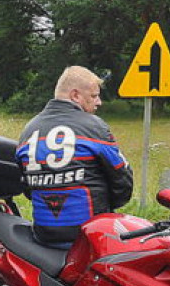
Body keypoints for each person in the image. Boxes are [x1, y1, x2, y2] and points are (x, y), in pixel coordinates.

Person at [16, 66, 133, 247]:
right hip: (89, 238)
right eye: (94, 96)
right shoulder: (94, 127)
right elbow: (123, 182)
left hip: (44, 238)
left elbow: (27, 189)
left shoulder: (28, 130)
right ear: (75, 95)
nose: (99, 102)